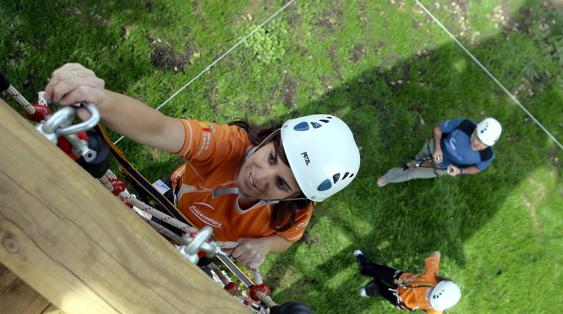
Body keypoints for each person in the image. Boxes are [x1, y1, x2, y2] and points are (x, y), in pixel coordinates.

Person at [44, 63, 360, 269]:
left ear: (294, 197)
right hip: (168, 205)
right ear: (268, 139)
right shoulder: (231, 145)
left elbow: (286, 237)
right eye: (272, 157)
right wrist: (101, 99)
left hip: (207, 251)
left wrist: (263, 245)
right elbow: (160, 129)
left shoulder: (296, 211)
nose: (258, 175)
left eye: (281, 184)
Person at [377, 117, 502, 187]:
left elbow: (477, 169)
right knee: (417, 159)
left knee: (412, 172)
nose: (478, 145)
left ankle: (389, 177)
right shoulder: (464, 124)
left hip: (441, 166)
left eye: (484, 144)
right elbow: (438, 128)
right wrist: (437, 148)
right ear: (475, 130)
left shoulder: (487, 155)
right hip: (433, 147)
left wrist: (461, 171)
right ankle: (416, 161)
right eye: (478, 139)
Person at [354, 249, 460, 314]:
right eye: (430, 293)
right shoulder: (431, 277)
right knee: (379, 270)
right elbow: (435, 258)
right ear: (438, 284)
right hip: (401, 279)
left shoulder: (436, 311)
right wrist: (436, 254)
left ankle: (374, 289)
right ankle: (364, 265)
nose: (427, 298)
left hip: (401, 300)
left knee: (383, 290)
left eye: (430, 302)